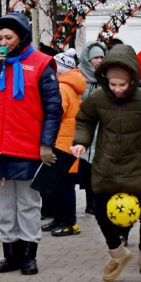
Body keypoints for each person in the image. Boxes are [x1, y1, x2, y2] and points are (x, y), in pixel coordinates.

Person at [71, 44, 141, 282]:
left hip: (140, 166)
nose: (118, 90)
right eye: (113, 85)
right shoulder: (98, 98)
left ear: (132, 79)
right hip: (107, 165)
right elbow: (84, 120)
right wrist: (81, 141)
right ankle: (118, 253)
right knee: (100, 211)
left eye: (123, 85)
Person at [0, 12, 62, 275]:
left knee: (28, 204)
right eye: (0, 37)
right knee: (3, 206)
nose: (4, 42)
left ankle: (29, 255)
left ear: (21, 37)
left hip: (27, 146)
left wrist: (47, 144)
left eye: (9, 37)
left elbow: (54, 108)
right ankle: (9, 253)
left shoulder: (42, 64)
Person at [41, 49, 84, 237]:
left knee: (64, 186)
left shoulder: (62, 88)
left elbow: (55, 113)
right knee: (60, 184)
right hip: (68, 141)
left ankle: (69, 222)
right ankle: (60, 219)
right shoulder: (70, 86)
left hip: (62, 142)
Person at [76, 41, 106, 214]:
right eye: (96, 57)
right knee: (86, 167)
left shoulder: (106, 76)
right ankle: (89, 202)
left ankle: (96, 201)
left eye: (102, 57)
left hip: (101, 126)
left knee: (98, 165)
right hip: (84, 127)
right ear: (88, 59)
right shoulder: (79, 76)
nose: (99, 61)